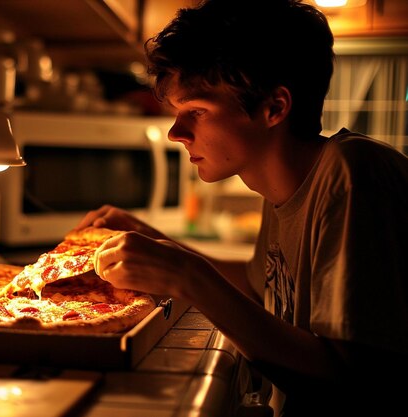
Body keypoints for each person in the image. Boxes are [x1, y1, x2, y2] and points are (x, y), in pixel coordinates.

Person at [74, 0, 408, 415]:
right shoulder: (282, 186)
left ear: (274, 108)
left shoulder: (355, 174)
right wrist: (158, 245)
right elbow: (255, 289)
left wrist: (187, 277)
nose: (177, 133)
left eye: (196, 111)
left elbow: (350, 382)